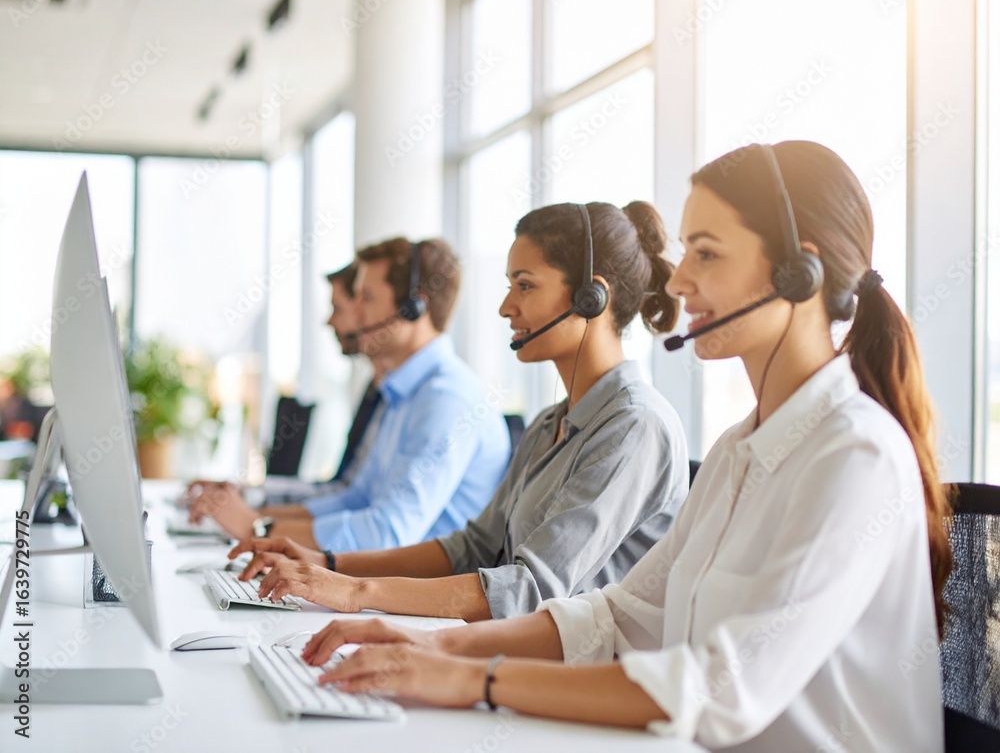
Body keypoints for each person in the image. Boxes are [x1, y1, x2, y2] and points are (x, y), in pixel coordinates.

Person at [288, 142, 952, 752]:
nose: (680, 280)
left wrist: (472, 679)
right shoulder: (737, 451)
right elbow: (619, 617)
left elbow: (719, 691)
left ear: (798, 272)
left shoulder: (855, 457)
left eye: (707, 254)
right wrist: (438, 647)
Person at [230, 201, 690, 622]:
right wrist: (329, 564)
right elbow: (474, 548)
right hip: (508, 649)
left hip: (577, 672)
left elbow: (527, 591)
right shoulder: (550, 424)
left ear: (590, 298)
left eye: (525, 285)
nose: (505, 307)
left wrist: (354, 591)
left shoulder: (634, 427)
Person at [188, 237, 511, 551]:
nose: (354, 315)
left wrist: (259, 528)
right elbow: (355, 499)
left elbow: (388, 533)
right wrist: (257, 518)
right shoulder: (402, 392)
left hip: (414, 586)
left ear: (415, 307)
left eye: (366, 298)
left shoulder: (446, 399)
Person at [186, 262, 385, 507]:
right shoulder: (374, 388)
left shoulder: (392, 396)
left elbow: (345, 496)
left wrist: (254, 518)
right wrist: (242, 494)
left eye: (338, 308)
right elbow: (338, 490)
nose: (329, 321)